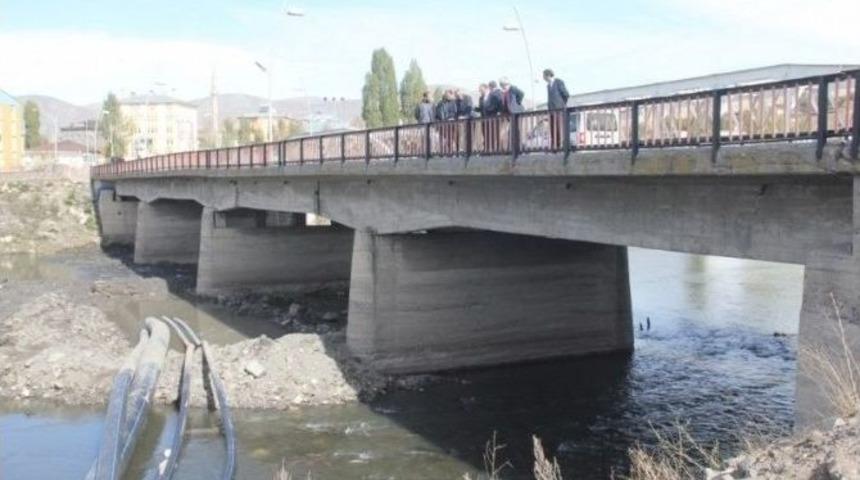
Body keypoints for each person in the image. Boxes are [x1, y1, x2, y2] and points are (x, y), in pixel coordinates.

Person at [544, 68, 570, 149]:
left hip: (559, 110)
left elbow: (566, 94)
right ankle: (554, 146)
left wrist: (561, 105)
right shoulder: (548, 86)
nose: (543, 78)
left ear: (548, 75)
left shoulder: (558, 82)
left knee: (559, 127)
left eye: (544, 76)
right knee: (552, 128)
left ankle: (561, 146)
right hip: (551, 110)